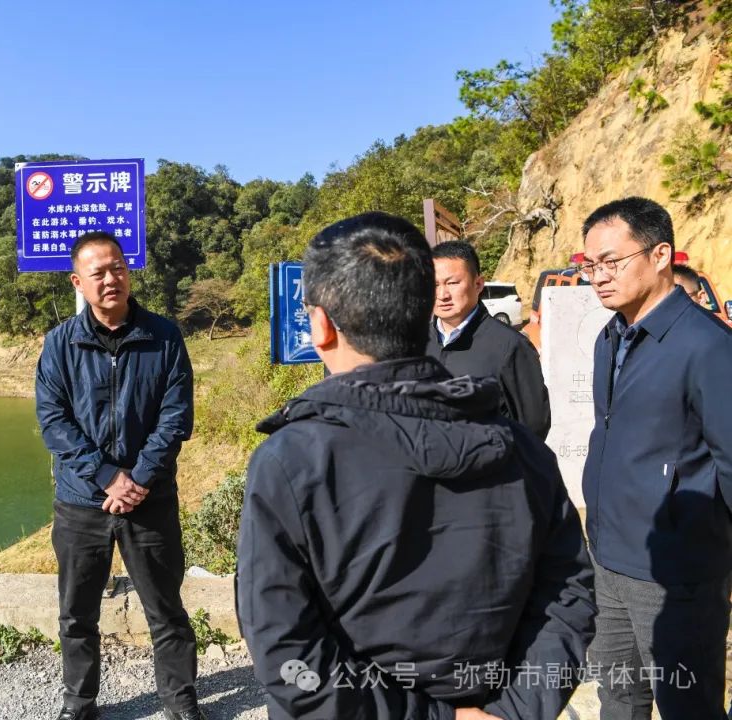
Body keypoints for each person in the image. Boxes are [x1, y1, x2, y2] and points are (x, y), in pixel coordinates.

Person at [236, 212, 596, 720]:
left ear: (320, 325)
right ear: (424, 305)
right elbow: (569, 592)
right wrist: (513, 709)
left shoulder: (293, 460)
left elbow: (286, 652)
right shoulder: (522, 449)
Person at [35, 231, 204, 720]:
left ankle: (180, 702)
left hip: (150, 500)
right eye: (99, 273)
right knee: (76, 613)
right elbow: (54, 421)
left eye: (119, 269)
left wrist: (140, 479)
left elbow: (175, 417)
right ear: (78, 282)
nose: (111, 280)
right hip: (81, 503)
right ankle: (79, 703)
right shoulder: (60, 344)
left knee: (166, 609)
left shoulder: (163, 336)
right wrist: (107, 476)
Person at [578, 196, 732, 720]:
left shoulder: (707, 345)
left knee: (688, 704)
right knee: (619, 697)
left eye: (612, 261)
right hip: (608, 555)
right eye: (590, 265)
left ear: (661, 254)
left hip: (676, 570)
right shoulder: (610, 337)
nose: (599, 277)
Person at [425, 241, 551, 439]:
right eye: (434, 285)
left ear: (478, 284)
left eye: (453, 283)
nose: (442, 295)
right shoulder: (416, 342)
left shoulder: (510, 346)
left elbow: (534, 425)